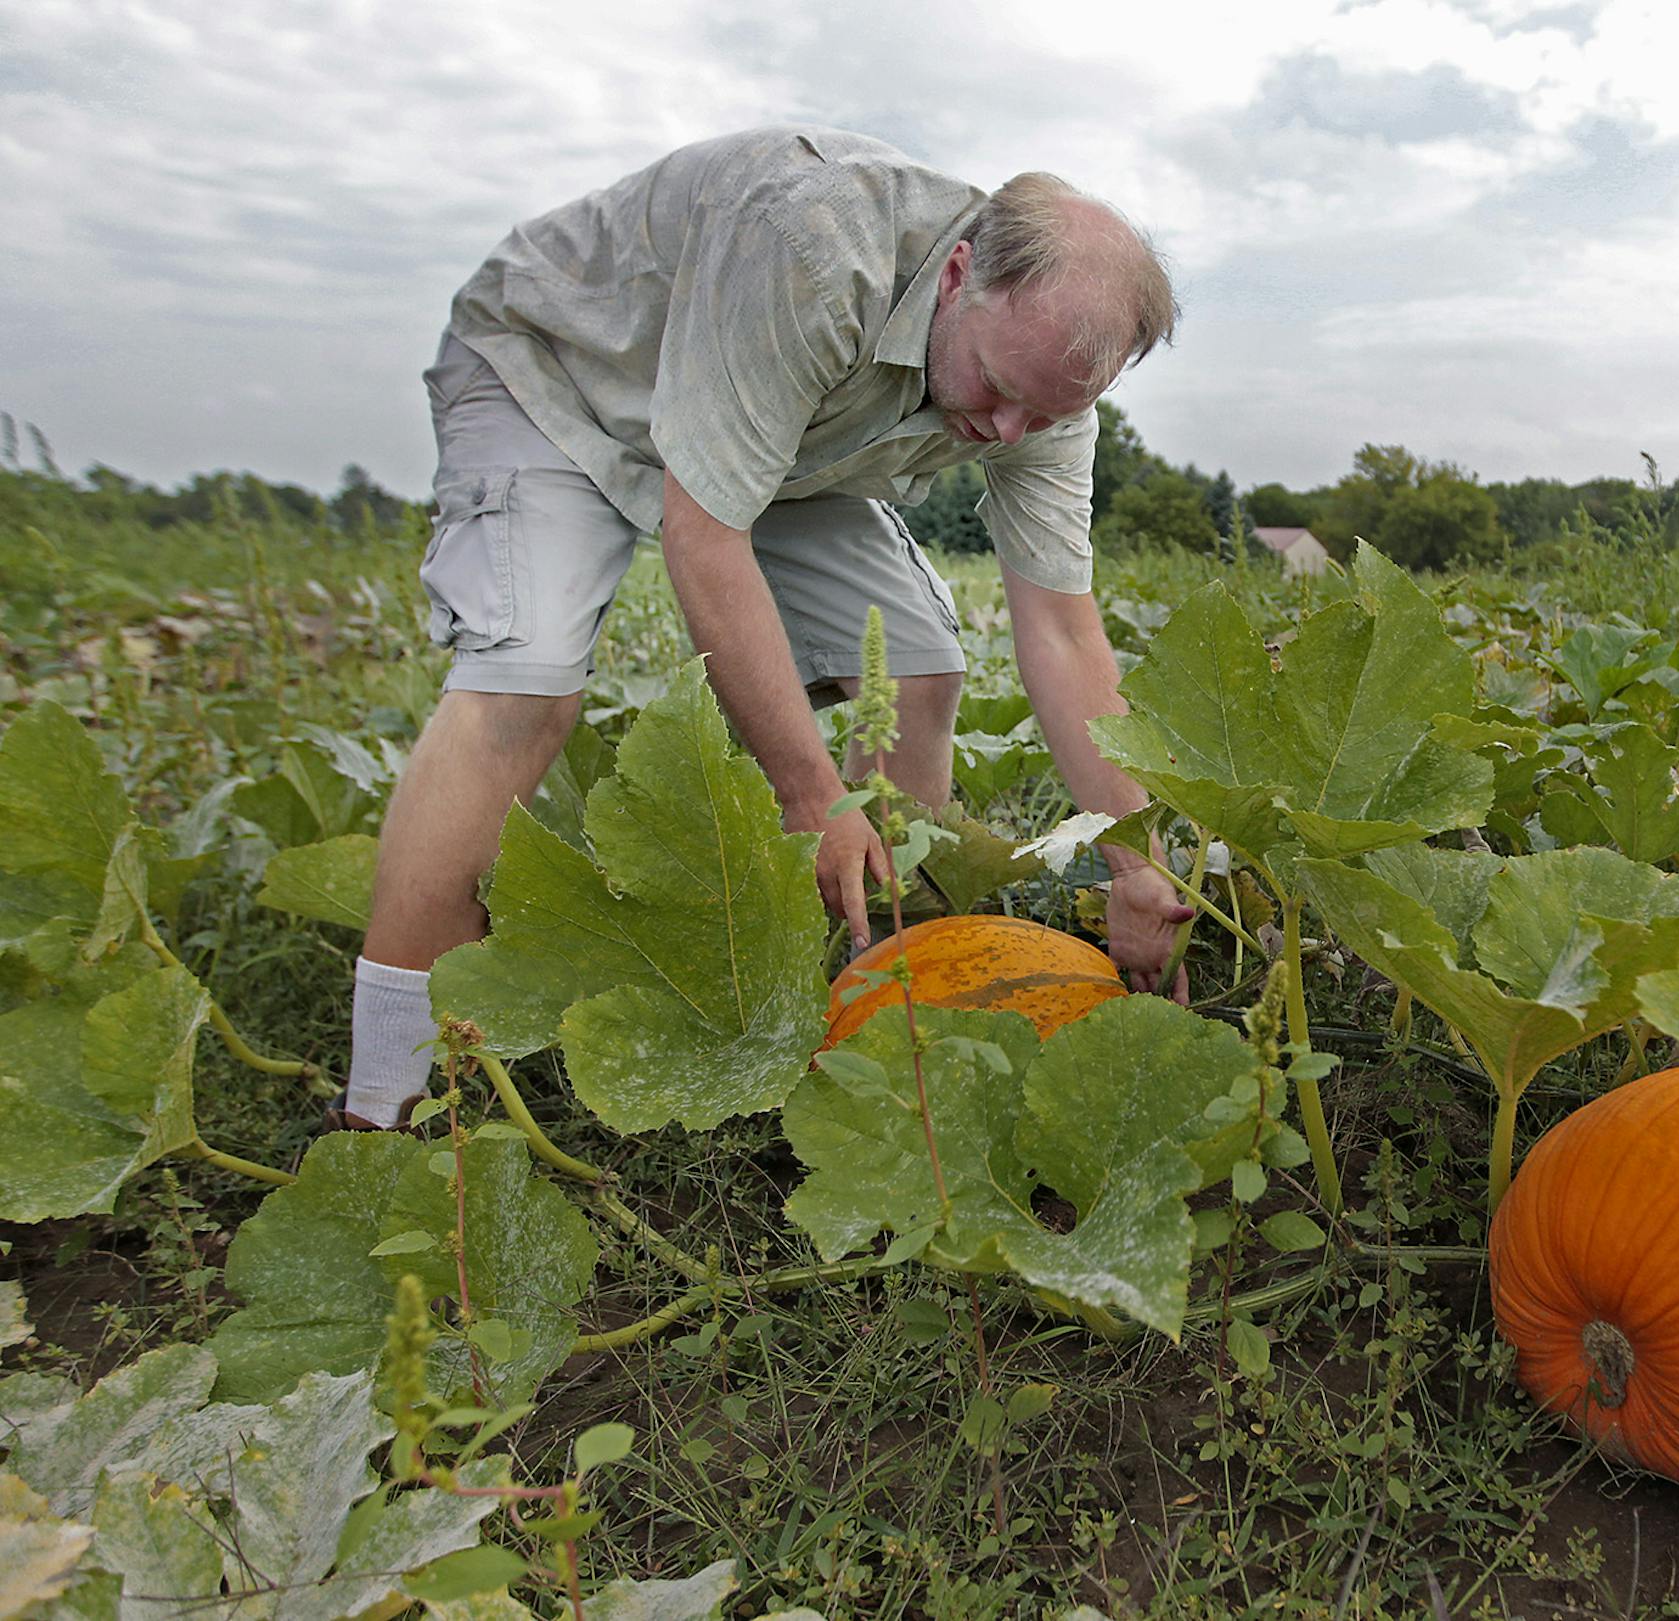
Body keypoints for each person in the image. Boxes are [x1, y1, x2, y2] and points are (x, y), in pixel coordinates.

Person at [330, 126, 1194, 1129]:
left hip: (776, 432)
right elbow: (704, 539)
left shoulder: (1044, 392)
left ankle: (872, 997)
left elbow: (1060, 632)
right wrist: (812, 791)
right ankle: (382, 1100)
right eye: (998, 390)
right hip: (562, 383)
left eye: (1043, 415)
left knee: (914, 671)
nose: (1009, 434)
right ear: (960, 273)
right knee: (522, 698)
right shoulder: (813, 249)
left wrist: (1140, 863)